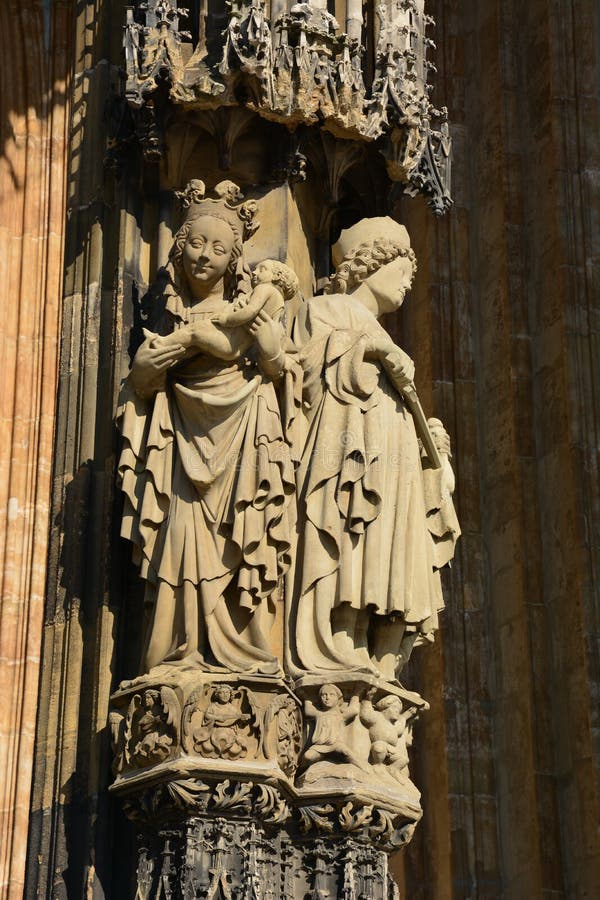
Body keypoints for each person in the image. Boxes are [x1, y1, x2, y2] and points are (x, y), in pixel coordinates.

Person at [117, 180, 296, 675]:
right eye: (195, 244)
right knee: (178, 539)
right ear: (179, 249)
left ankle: (245, 648)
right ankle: (177, 651)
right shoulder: (165, 315)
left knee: (241, 539)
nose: (203, 257)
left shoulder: (248, 316)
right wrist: (145, 370)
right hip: (180, 439)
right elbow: (140, 391)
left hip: (243, 439)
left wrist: (274, 352)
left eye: (218, 248)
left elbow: (288, 380)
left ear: (235, 258)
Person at [289, 217, 457, 680]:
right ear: (369, 265)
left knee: (385, 567)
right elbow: (302, 373)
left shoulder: (382, 331)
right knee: (349, 554)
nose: (407, 284)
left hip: (389, 463)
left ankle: (375, 654)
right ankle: (337, 639)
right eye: (401, 269)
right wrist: (371, 352)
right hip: (346, 456)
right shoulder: (325, 311)